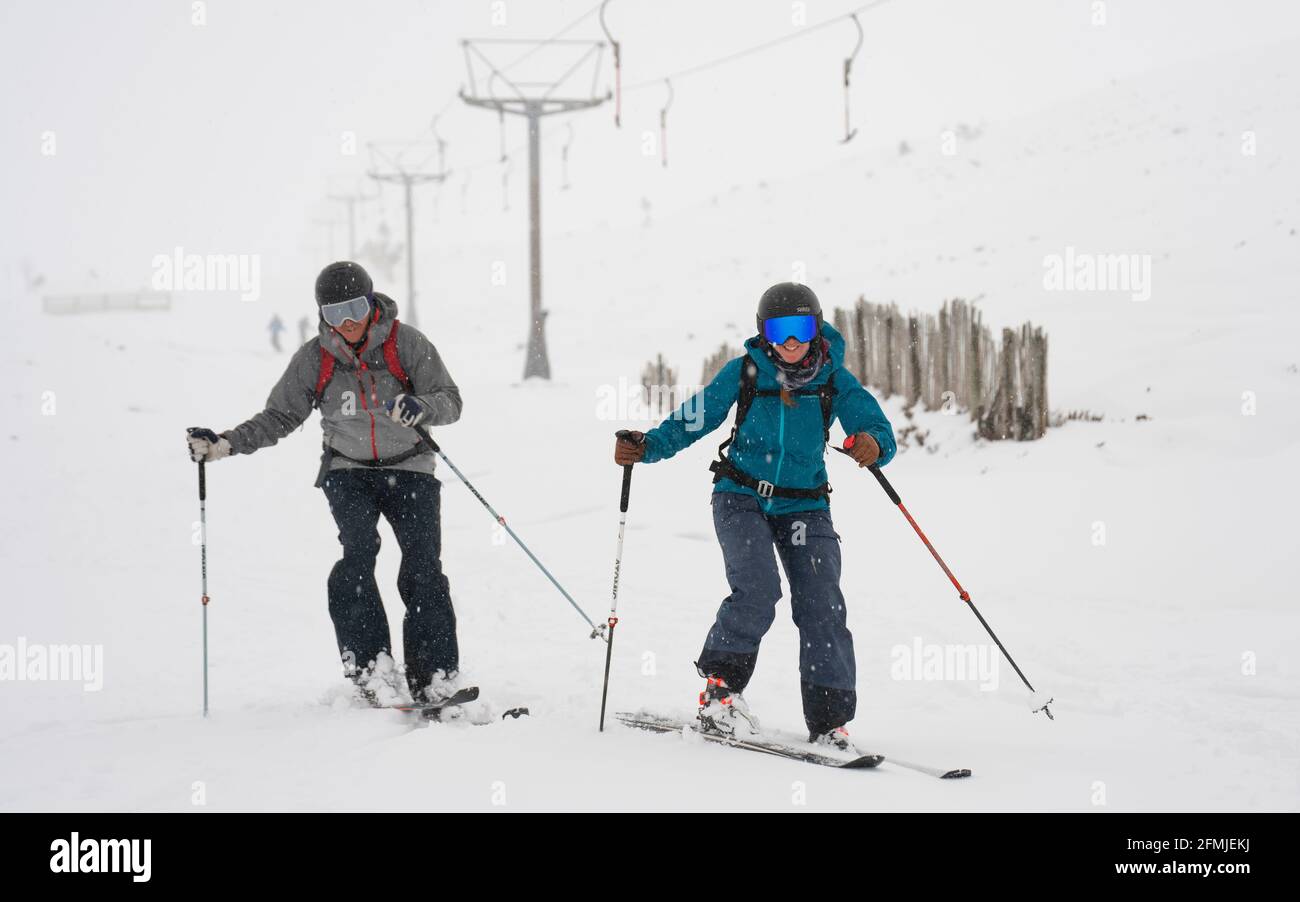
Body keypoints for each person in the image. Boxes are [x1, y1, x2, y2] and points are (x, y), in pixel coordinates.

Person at [613, 283, 895, 751]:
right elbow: (694, 418)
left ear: (816, 329)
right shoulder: (745, 371)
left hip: (805, 504)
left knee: (822, 603)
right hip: (741, 496)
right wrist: (649, 447)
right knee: (759, 589)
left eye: (800, 329)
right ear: (763, 333)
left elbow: (876, 427)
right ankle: (720, 694)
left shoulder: (833, 378)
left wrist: (873, 444)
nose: (790, 342)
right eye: (779, 330)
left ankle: (830, 723)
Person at [186, 261, 463, 707]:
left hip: (411, 467)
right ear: (322, 315)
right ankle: (373, 669)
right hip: (347, 471)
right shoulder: (315, 358)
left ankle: (434, 675)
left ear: (372, 304)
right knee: (357, 553)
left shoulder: (406, 343)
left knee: (423, 565)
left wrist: (421, 406)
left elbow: (451, 401)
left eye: (355, 308)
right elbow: (280, 416)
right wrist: (225, 444)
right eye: (335, 314)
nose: (348, 322)